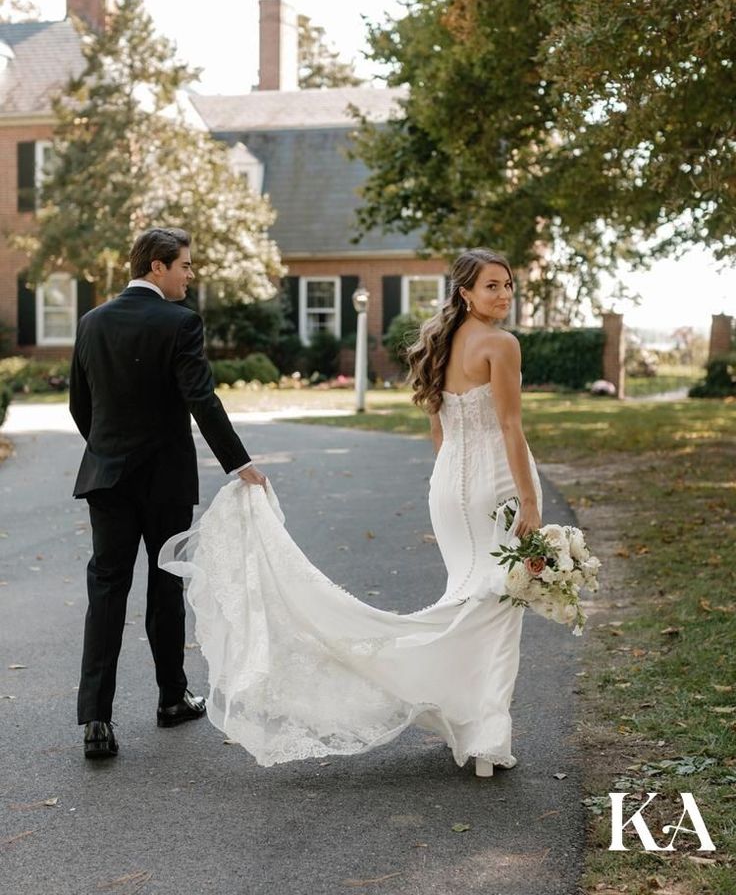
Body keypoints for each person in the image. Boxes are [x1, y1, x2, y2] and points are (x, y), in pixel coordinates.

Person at [159, 248, 543, 776]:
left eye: (507, 286)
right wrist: (530, 499)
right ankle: (483, 737)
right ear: (466, 293)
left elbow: (441, 431)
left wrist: (451, 482)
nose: (503, 295)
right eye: (492, 286)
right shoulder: (501, 344)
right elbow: (509, 428)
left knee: (470, 601)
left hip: (449, 489)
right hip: (493, 486)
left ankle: (464, 718)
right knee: (497, 607)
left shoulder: (442, 342)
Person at [70, 227, 267, 760]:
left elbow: (79, 405)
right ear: (157, 267)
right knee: (165, 585)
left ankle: (95, 722)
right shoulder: (180, 322)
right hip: (165, 480)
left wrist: (110, 450)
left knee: (106, 592)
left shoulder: (92, 321)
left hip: (106, 477)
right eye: (184, 265)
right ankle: (170, 699)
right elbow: (200, 398)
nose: (189, 275)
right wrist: (240, 462)